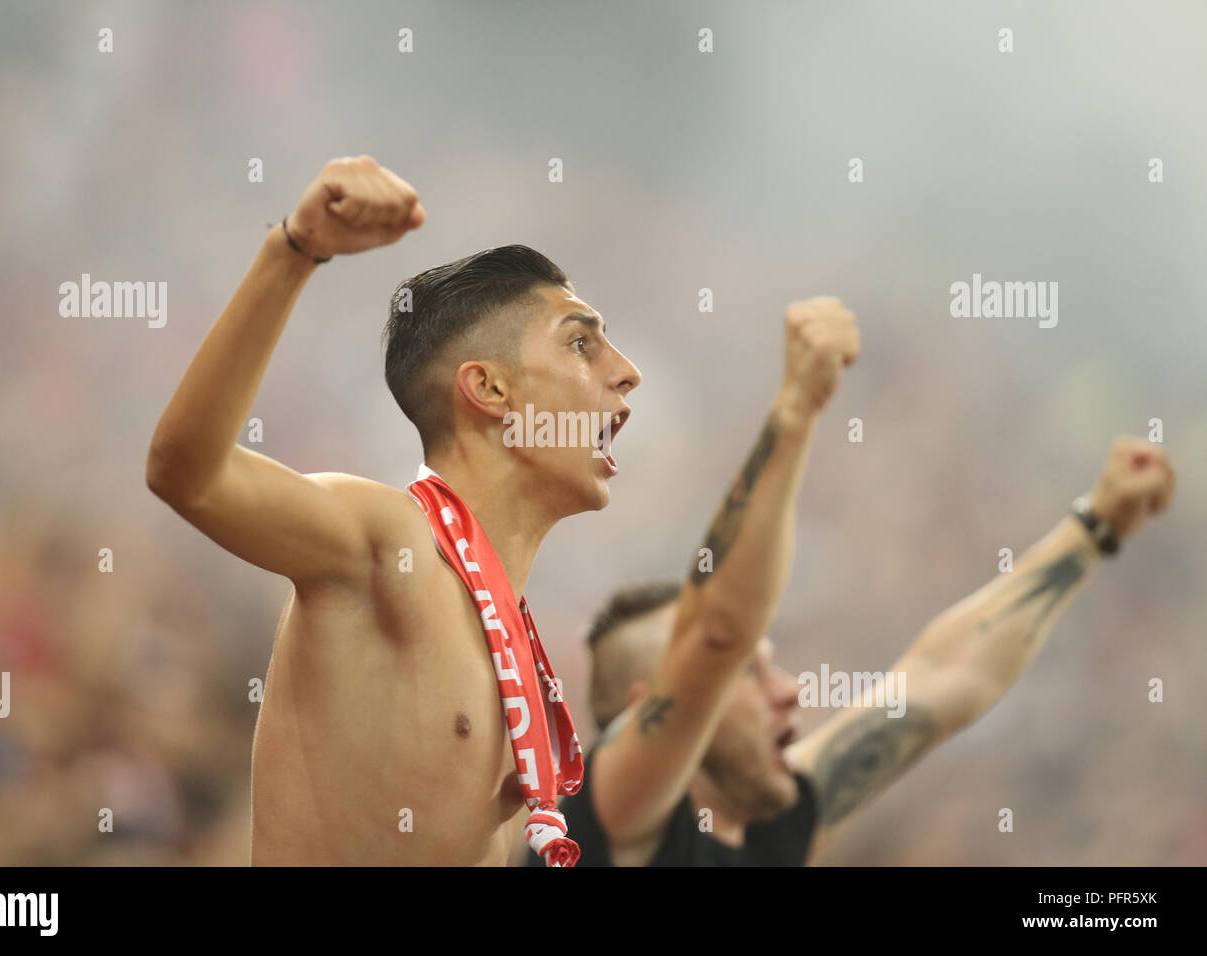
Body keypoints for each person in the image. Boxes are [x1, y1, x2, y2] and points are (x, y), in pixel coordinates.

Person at [534, 299, 1175, 866]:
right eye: (749, 674)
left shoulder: (768, 836)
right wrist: (794, 413)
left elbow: (944, 676)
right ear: (659, 704)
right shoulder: (608, 826)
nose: (789, 692)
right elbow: (716, 631)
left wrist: (1095, 528)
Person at [147, 155, 641, 865]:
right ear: (490, 390)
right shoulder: (389, 538)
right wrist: (294, 250)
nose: (627, 370)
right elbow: (187, 472)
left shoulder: (518, 654)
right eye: (580, 341)